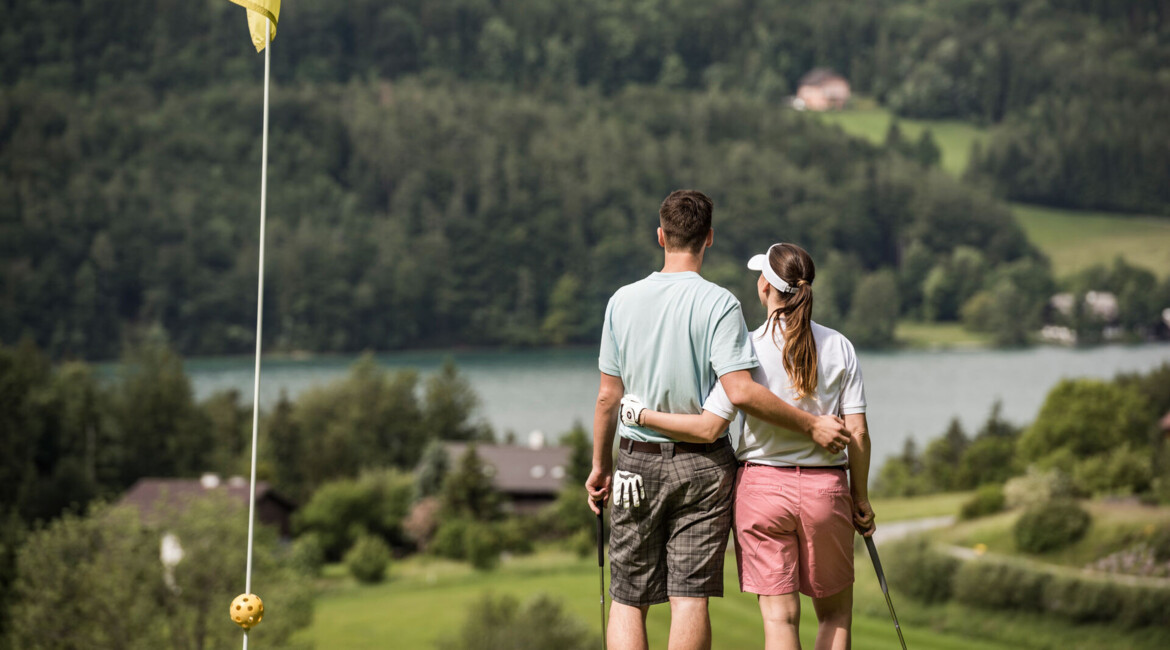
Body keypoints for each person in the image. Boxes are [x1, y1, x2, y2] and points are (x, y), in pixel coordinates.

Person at [586, 191, 852, 650]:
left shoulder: (621, 301)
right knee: (689, 597)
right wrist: (811, 425)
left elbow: (608, 397)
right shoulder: (721, 304)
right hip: (704, 467)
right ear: (708, 238)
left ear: (660, 236)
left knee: (628, 599)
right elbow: (739, 392)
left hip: (635, 461)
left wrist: (601, 468)